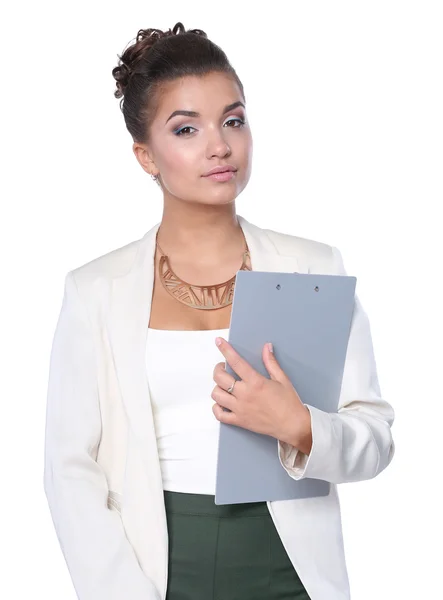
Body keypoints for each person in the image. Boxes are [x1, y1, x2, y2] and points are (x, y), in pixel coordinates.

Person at [43, 22, 396, 600]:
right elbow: (70, 469)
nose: (220, 146)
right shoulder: (96, 290)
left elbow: (376, 438)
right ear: (144, 155)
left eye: (233, 120)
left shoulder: (313, 267)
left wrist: (298, 426)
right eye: (186, 129)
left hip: (291, 563)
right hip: (153, 563)